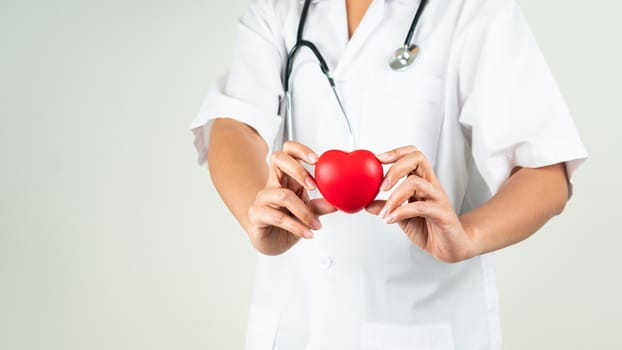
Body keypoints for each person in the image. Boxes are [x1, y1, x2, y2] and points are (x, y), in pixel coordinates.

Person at [189, 0, 587, 348]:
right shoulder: (280, 12)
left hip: (421, 326)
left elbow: (544, 170)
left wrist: (468, 235)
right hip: (295, 324)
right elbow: (234, 123)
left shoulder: (476, 12)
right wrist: (256, 213)